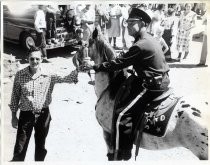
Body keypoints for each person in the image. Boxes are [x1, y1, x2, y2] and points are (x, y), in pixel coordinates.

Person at [84, 8, 170, 160]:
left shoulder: (140, 44)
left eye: (132, 23)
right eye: (127, 23)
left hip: (151, 85)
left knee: (122, 114)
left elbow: (118, 63)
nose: (128, 26)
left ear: (142, 23)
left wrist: (95, 66)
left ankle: (122, 153)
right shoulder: (149, 39)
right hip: (158, 78)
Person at [9, 46, 78, 161]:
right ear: (27, 59)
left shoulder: (49, 75)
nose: (34, 61)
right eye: (32, 59)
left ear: (41, 59)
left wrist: (78, 69)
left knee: (40, 148)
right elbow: (15, 96)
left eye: (37, 59)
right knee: (20, 149)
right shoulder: (20, 75)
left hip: (43, 115)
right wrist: (13, 117)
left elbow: (66, 78)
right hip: (26, 115)